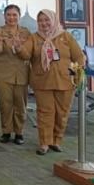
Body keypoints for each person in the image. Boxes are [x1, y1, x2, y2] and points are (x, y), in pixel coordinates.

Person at [15, 9, 85, 155]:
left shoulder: (65, 36)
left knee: (62, 113)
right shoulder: (34, 38)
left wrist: (74, 75)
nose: (44, 23)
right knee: (45, 113)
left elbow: (79, 57)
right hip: (42, 82)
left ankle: (56, 141)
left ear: (53, 20)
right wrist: (19, 47)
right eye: (40, 20)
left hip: (65, 82)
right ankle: (44, 143)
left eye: (47, 20)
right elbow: (26, 55)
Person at [0, 4, 31, 145]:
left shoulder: (26, 33)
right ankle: (6, 132)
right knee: (5, 104)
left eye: (14, 15)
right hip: (3, 73)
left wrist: (19, 47)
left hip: (21, 73)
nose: (11, 18)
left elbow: (27, 55)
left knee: (20, 105)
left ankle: (19, 132)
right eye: (9, 15)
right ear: (4, 16)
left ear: (19, 17)